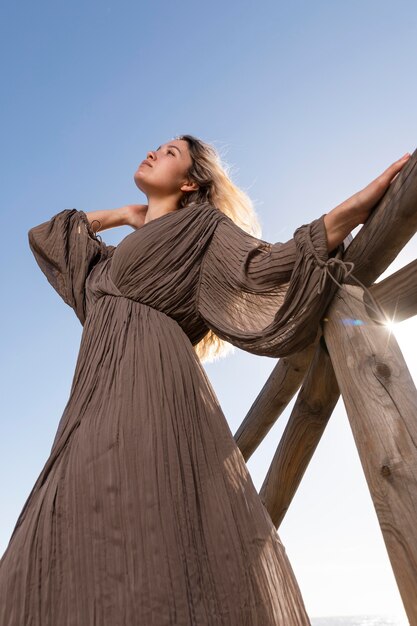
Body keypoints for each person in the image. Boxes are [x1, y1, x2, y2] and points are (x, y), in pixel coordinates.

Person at [0, 134, 410, 625]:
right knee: (64, 526)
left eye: (170, 153)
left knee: (137, 514)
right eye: (157, 146)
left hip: (152, 381)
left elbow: (264, 267)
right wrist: (128, 214)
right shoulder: (106, 263)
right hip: (95, 390)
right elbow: (46, 237)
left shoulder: (202, 227)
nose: (153, 151)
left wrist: (358, 205)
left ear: (192, 182)